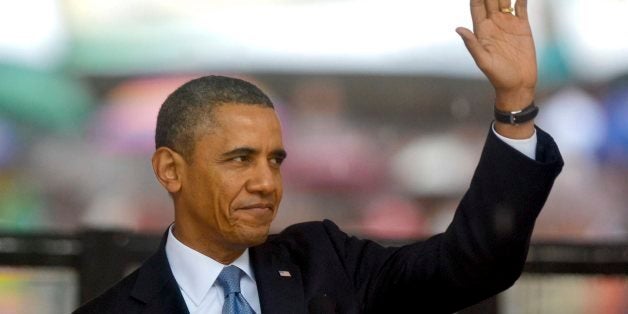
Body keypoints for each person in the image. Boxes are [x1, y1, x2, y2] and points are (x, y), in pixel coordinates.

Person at [74, 0, 563, 313]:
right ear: (169, 170)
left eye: (275, 160)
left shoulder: (326, 263)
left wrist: (514, 104)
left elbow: (474, 265)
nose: (266, 182)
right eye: (240, 159)